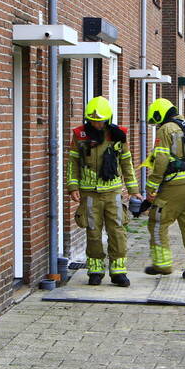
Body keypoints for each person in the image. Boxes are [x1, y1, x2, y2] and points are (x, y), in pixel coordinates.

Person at [67, 96, 139, 287]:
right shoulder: (80, 135)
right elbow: (73, 162)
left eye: (99, 120)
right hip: (89, 193)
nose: (96, 123)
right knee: (93, 231)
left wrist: (133, 189)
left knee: (117, 231)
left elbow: (126, 162)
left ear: (107, 118)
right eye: (92, 120)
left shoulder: (118, 135)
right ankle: (95, 270)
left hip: (113, 192)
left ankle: (118, 271)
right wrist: (73, 187)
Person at [143, 98, 185, 281]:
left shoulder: (166, 129)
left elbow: (162, 160)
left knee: (157, 222)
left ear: (159, 114)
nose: (156, 124)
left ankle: (162, 264)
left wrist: (152, 185)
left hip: (175, 185)